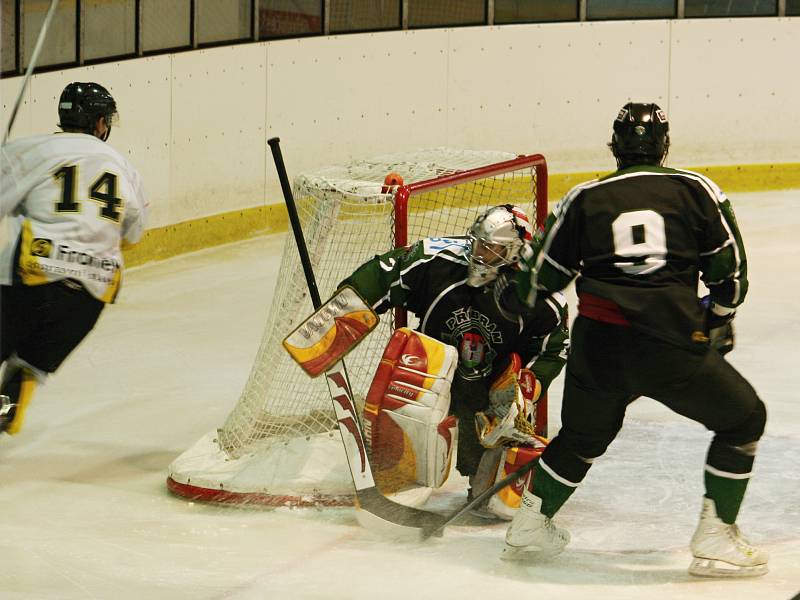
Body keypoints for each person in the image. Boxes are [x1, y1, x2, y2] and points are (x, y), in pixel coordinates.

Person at [502, 102, 767, 577]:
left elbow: (538, 283)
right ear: (664, 147)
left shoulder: (583, 197)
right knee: (744, 420)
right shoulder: (695, 189)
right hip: (668, 340)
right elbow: (732, 277)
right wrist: (716, 317)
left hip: (598, 342)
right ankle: (716, 537)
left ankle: (530, 526)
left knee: (582, 437)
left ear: (614, 147)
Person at [338, 204, 569, 515]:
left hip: (489, 392)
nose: (479, 254)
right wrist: (345, 309)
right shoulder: (439, 262)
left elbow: (554, 348)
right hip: (433, 378)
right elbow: (386, 270)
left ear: (513, 253)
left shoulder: (538, 295)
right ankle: (399, 472)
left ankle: (485, 473)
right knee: (415, 372)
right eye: (478, 243)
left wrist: (527, 388)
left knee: (496, 505)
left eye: (490, 249)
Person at [0, 82, 148, 435]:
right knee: (32, 361)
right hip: (90, 295)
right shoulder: (125, 169)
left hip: (30, 278)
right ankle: (12, 396)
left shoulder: (32, 150)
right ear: (99, 123)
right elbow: (134, 232)